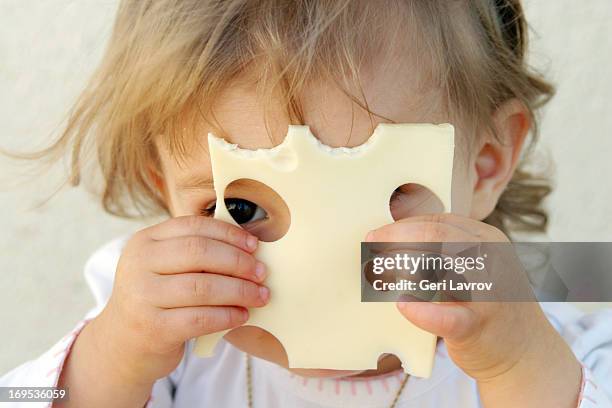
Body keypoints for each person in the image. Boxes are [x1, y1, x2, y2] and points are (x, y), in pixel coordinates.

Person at [2, 0, 611, 407]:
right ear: (164, 184)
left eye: (390, 195)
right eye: (242, 210)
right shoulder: (154, 312)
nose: (324, 263)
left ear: (484, 164)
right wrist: (110, 356)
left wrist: (522, 365)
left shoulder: (558, 323)